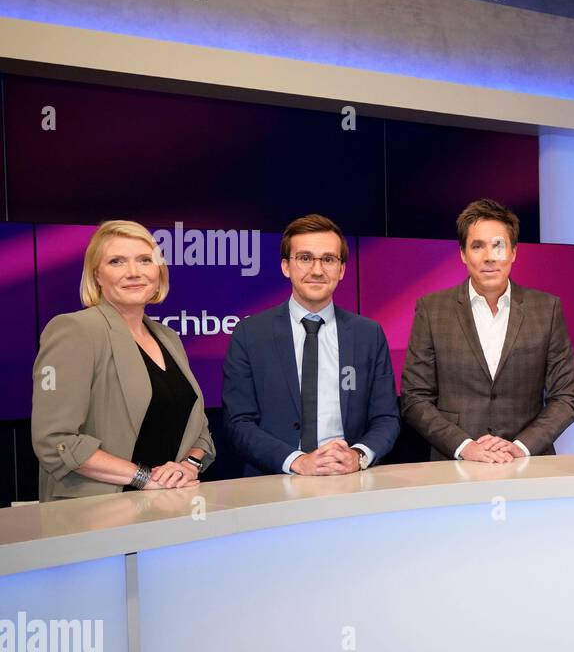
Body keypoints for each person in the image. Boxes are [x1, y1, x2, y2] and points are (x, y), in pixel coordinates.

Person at [31, 220, 214, 500]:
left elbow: (198, 428)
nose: (133, 272)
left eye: (144, 260)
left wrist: (188, 466)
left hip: (168, 506)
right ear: (97, 276)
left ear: (158, 272)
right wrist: (144, 478)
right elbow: (56, 441)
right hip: (95, 514)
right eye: (117, 262)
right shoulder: (75, 330)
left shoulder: (168, 337)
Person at [401, 198, 574, 462]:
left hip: (527, 464)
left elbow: (565, 398)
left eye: (498, 245)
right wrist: (465, 446)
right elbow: (414, 398)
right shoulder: (431, 309)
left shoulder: (547, 308)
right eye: (477, 246)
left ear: (514, 252)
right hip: (454, 465)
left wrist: (520, 446)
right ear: (463, 254)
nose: (489, 257)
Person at [223, 214, 399, 476]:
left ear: (341, 270)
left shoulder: (368, 334)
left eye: (328, 259)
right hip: (273, 482)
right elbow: (238, 422)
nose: (317, 270)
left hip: (350, 481)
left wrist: (358, 456)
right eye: (305, 258)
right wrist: (296, 461)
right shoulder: (250, 334)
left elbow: (386, 418)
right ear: (286, 266)